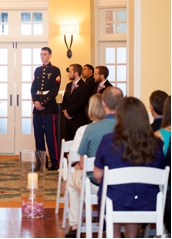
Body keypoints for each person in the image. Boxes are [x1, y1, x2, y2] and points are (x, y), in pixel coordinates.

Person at [94, 97, 165, 238]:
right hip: (148, 202)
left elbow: (97, 174)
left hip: (115, 202)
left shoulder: (108, 140)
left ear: (120, 116)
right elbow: (160, 173)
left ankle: (115, 236)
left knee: (114, 193)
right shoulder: (156, 143)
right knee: (134, 193)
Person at [65, 87, 123, 238]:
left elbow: (83, 164)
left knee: (72, 180)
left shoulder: (90, 129)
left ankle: (75, 226)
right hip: (122, 185)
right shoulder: (127, 129)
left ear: (104, 104)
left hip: (95, 185)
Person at [31, 47, 62, 171]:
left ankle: (55, 162)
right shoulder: (37, 70)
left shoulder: (55, 70)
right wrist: (36, 102)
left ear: (50, 55)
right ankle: (41, 162)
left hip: (49, 108)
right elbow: (33, 88)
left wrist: (43, 102)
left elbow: (55, 90)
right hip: (37, 109)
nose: (42, 56)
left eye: (45, 54)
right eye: (41, 54)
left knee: (51, 136)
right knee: (38, 136)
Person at [61, 64, 91, 141]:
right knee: (68, 142)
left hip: (78, 120)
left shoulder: (84, 86)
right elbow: (65, 100)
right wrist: (65, 112)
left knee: (78, 143)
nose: (68, 74)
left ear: (76, 73)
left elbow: (81, 103)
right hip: (67, 120)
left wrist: (70, 112)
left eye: (70, 72)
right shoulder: (68, 85)